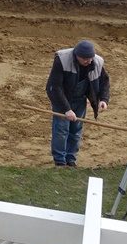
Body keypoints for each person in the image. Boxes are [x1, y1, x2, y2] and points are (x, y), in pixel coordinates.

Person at [45, 39, 110, 168]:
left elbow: (104, 81)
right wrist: (66, 109)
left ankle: (71, 159)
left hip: (80, 100)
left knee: (76, 131)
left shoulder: (96, 62)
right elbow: (55, 87)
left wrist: (103, 99)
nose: (89, 61)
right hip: (62, 98)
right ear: (77, 56)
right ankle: (60, 161)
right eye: (85, 59)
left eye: (90, 58)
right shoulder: (62, 60)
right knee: (61, 130)